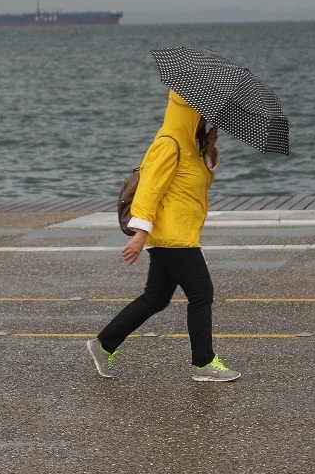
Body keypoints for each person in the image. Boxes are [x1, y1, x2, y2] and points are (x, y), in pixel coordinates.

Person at [86, 90, 240, 382]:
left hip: (179, 233)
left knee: (156, 298)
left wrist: (209, 151)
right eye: (202, 114)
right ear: (188, 112)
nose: (206, 119)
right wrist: (140, 233)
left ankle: (104, 344)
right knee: (201, 293)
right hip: (172, 237)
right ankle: (204, 363)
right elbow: (149, 189)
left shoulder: (189, 146)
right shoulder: (169, 143)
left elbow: (196, 185)